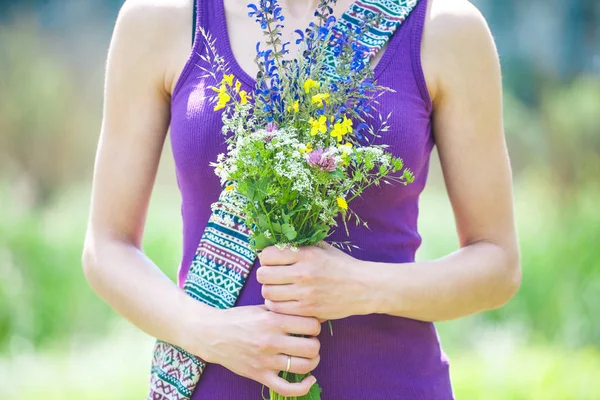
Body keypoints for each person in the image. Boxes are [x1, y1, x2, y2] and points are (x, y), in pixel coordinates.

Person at [82, 0, 521, 397]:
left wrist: (361, 287)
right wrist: (208, 332)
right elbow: (107, 247)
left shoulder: (446, 29)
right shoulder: (162, 19)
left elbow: (497, 264)